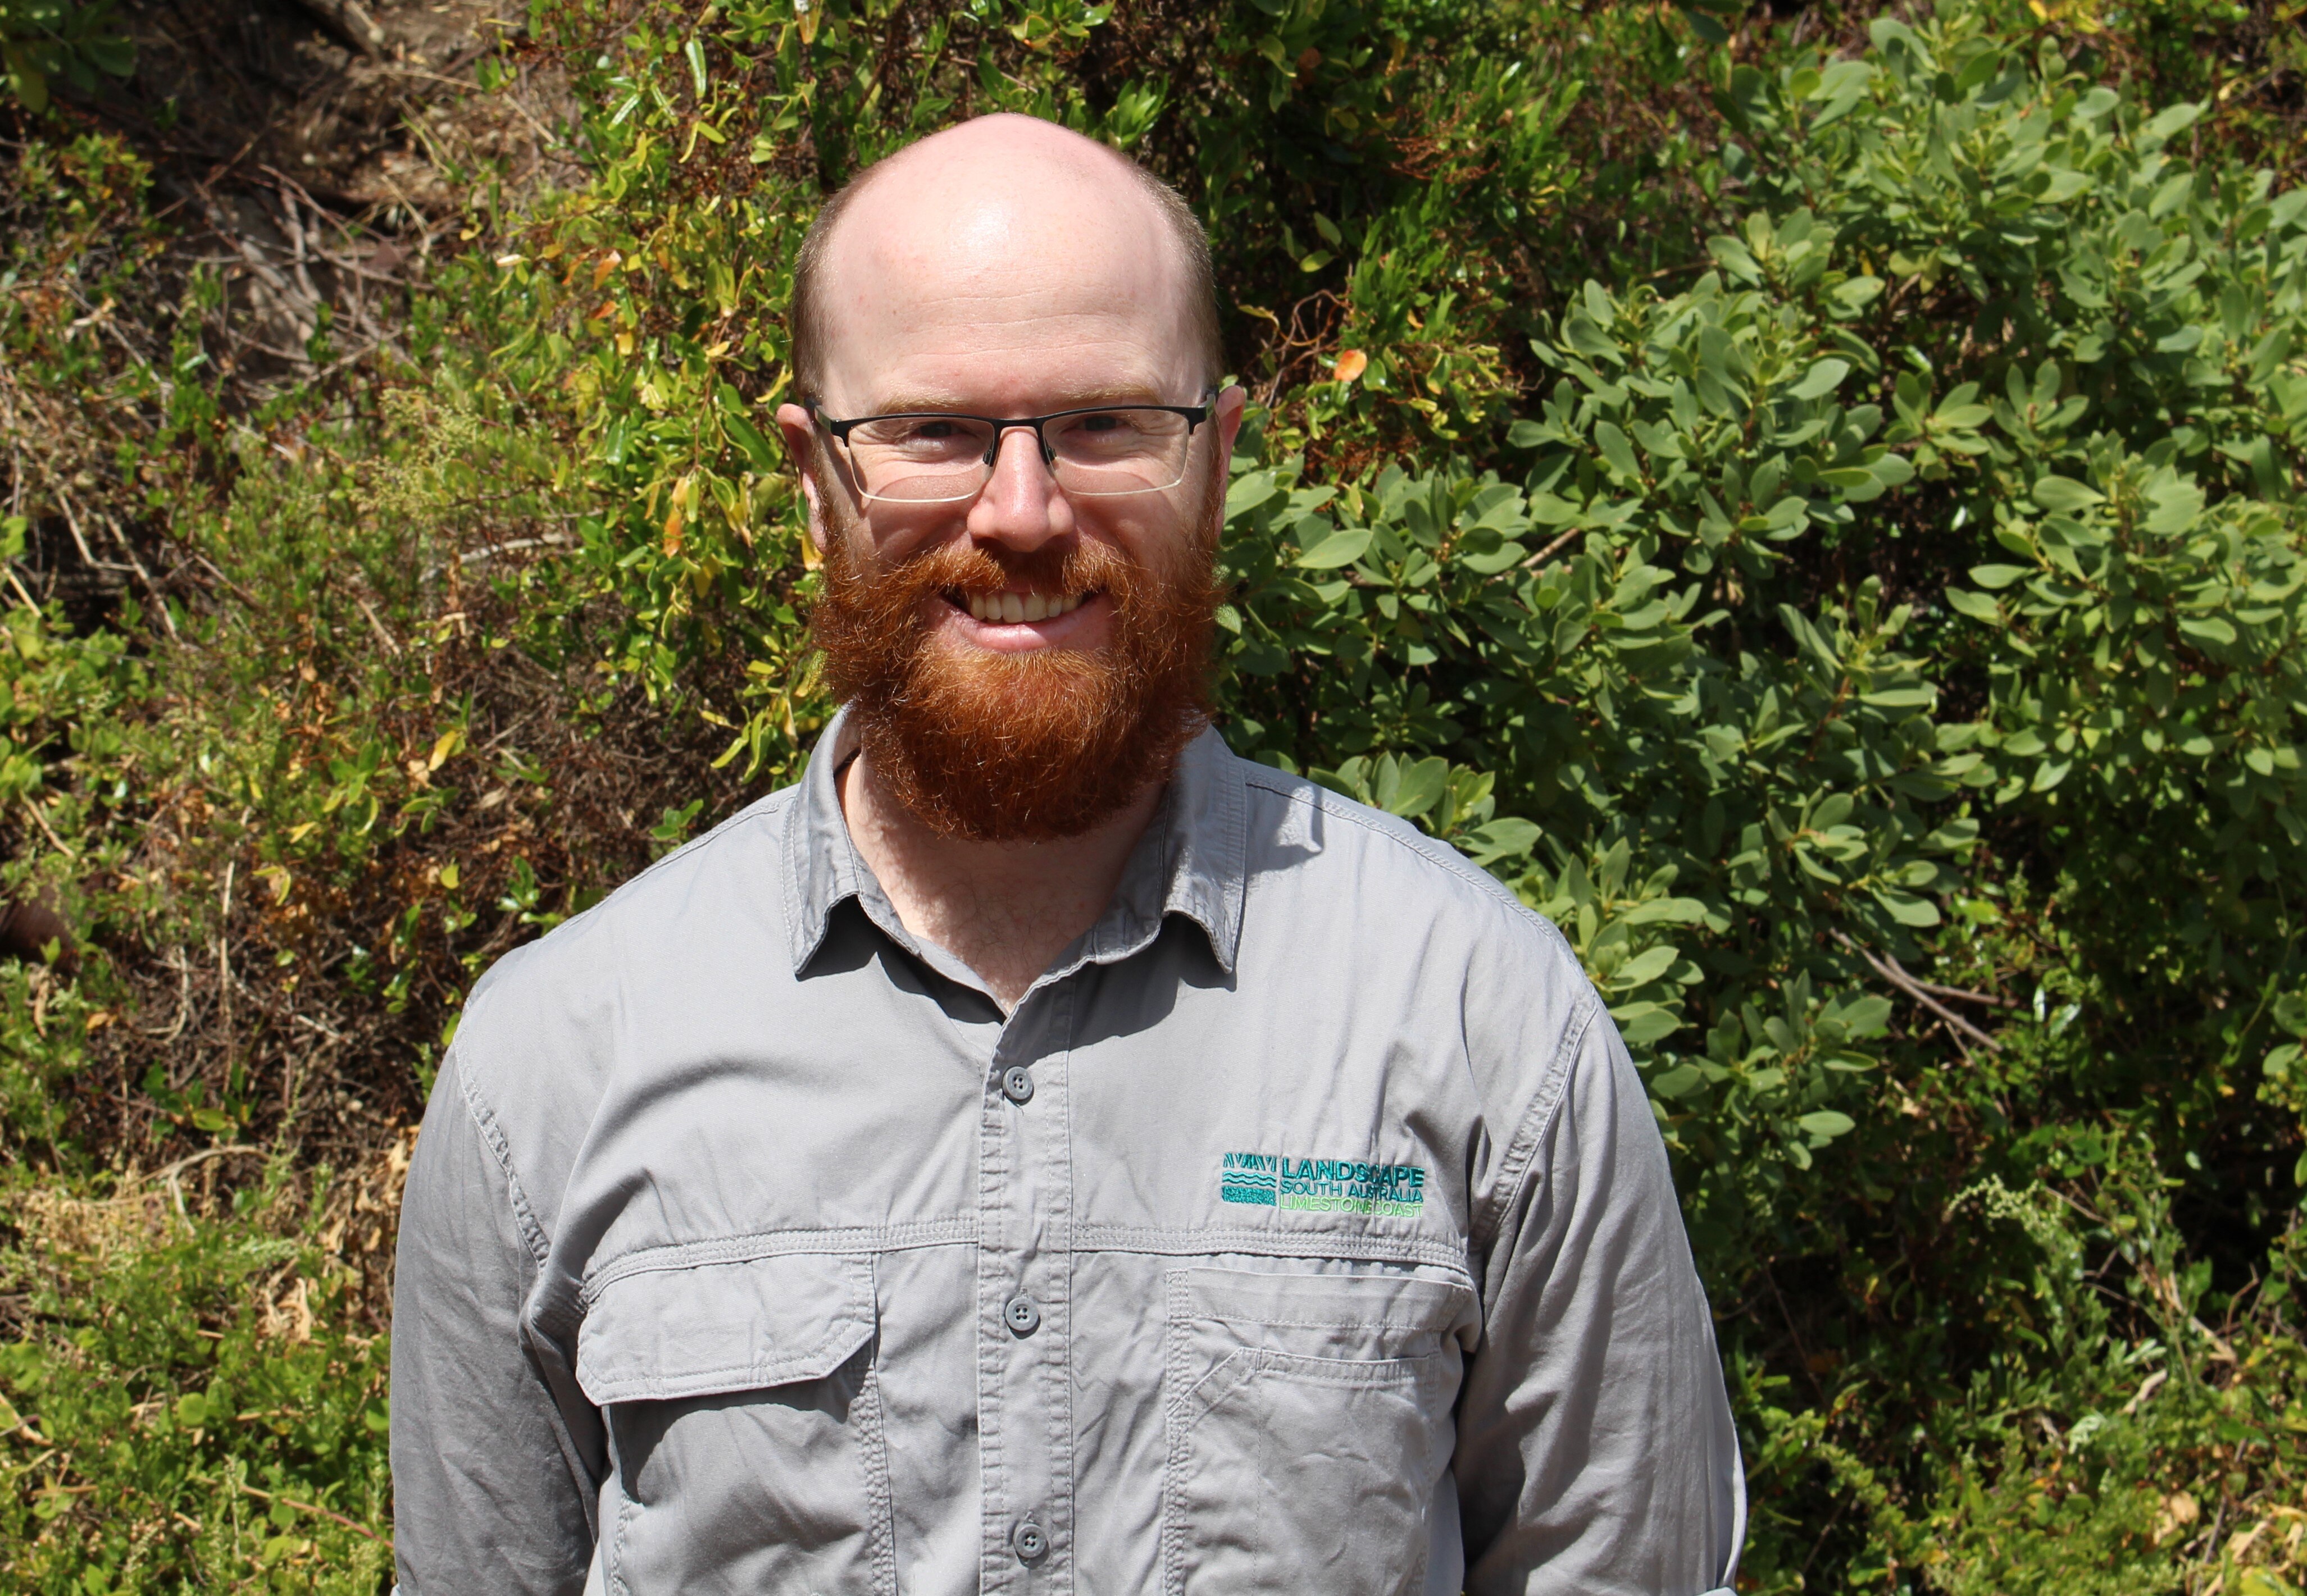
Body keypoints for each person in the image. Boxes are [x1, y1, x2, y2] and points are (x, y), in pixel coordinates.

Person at [390, 112, 1744, 1596]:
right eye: (932, 431)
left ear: (1214, 459)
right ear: (810, 474)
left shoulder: (1482, 1021)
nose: (1020, 509)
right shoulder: (557, 1061)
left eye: (1103, 425)